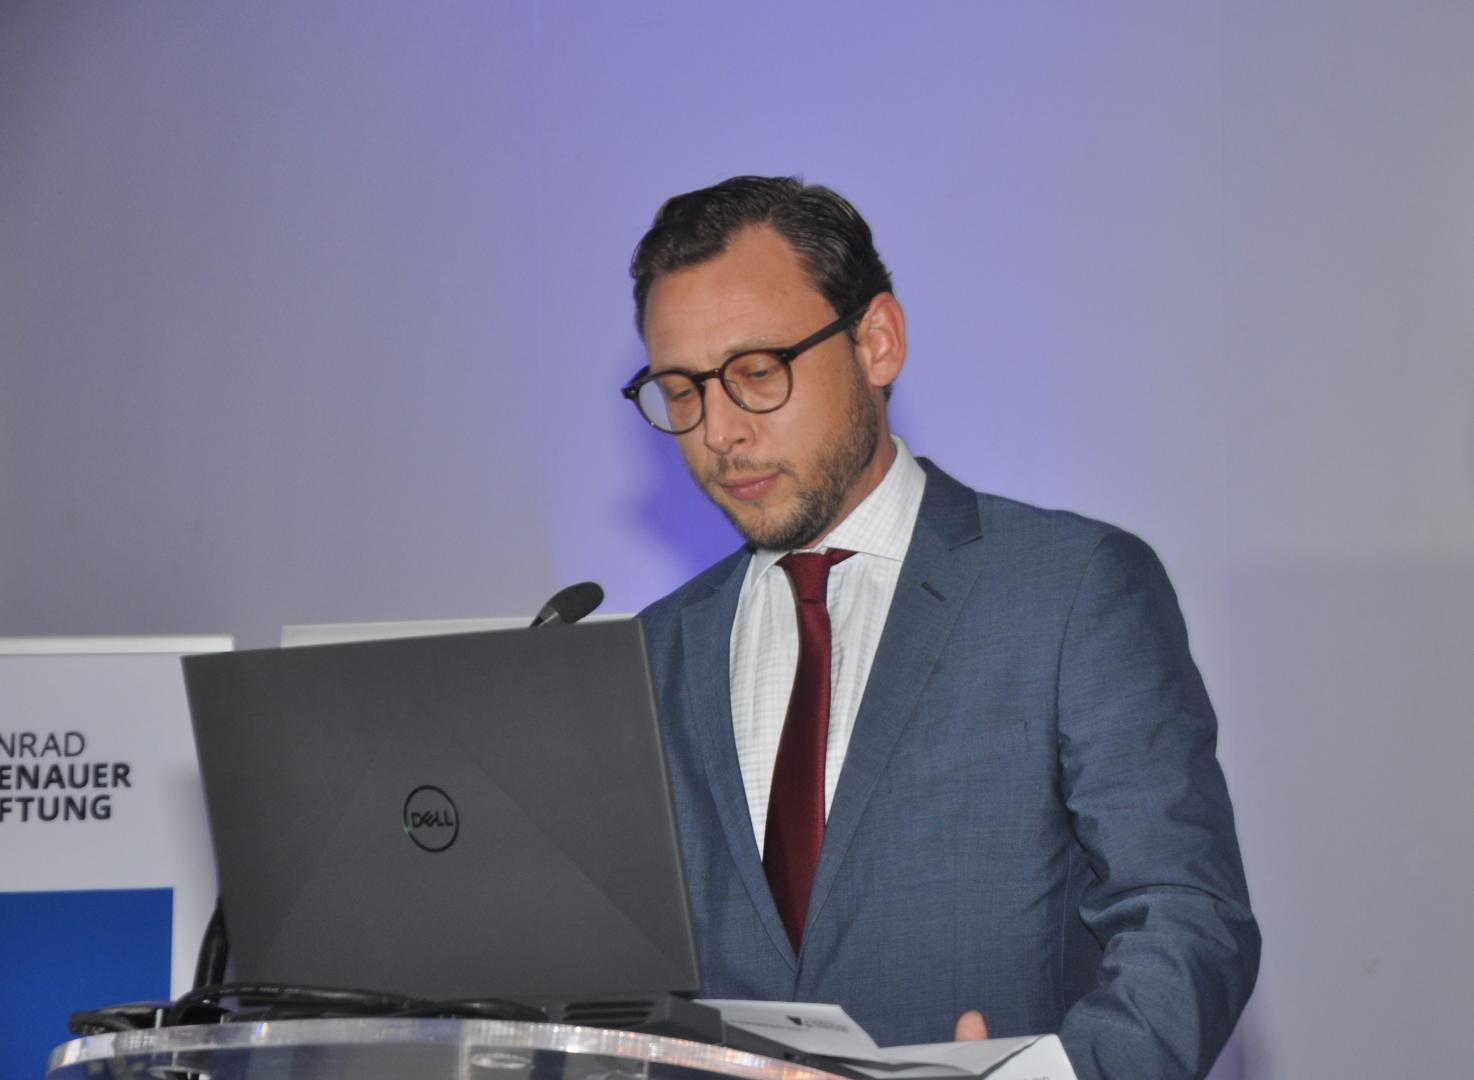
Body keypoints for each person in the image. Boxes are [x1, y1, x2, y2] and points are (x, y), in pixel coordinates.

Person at [620, 176, 1259, 1080]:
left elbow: (1186, 919)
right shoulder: (652, 651)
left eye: (757, 373)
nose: (719, 431)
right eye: (681, 390)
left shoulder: (1070, 588)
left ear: (877, 341)